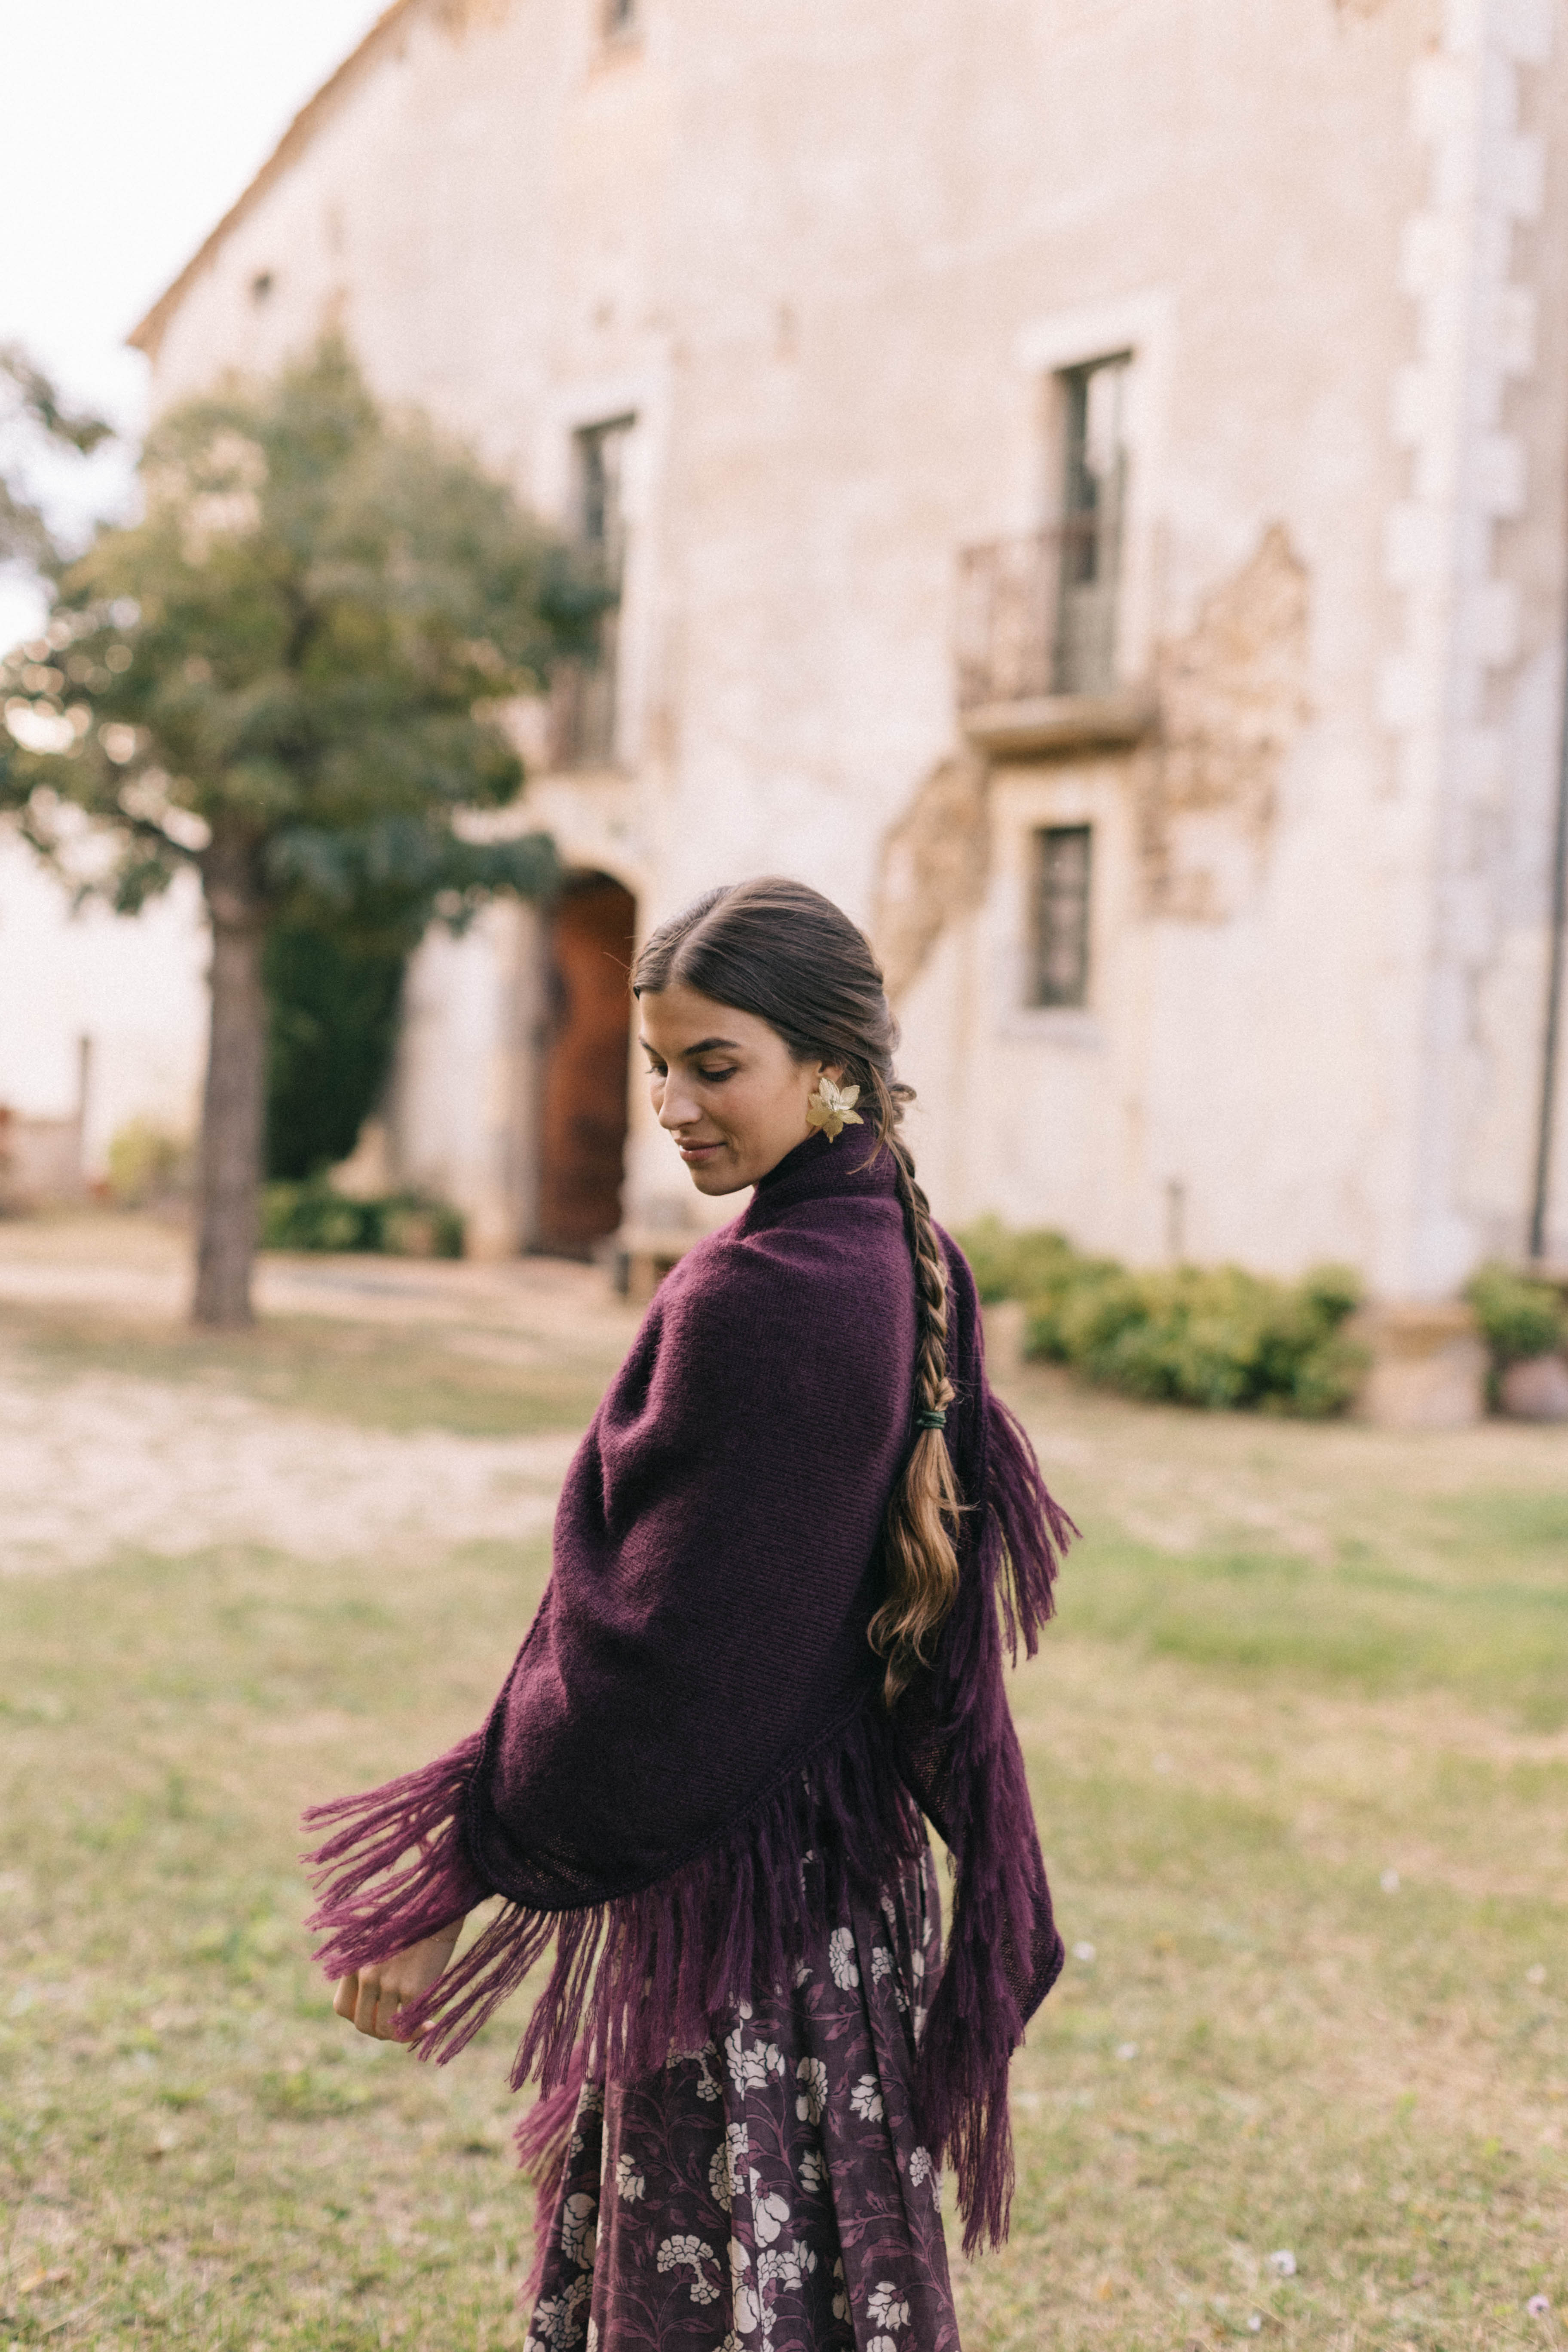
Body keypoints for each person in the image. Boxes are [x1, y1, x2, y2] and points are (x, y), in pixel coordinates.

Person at [306, 877, 1074, 2352]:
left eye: (715, 1064)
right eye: (661, 1063)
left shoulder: (770, 1296)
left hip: (735, 1913)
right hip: (828, 1909)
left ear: (831, 1063)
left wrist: (451, 1871)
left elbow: (654, 1664)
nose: (670, 1103)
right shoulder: (895, 1252)